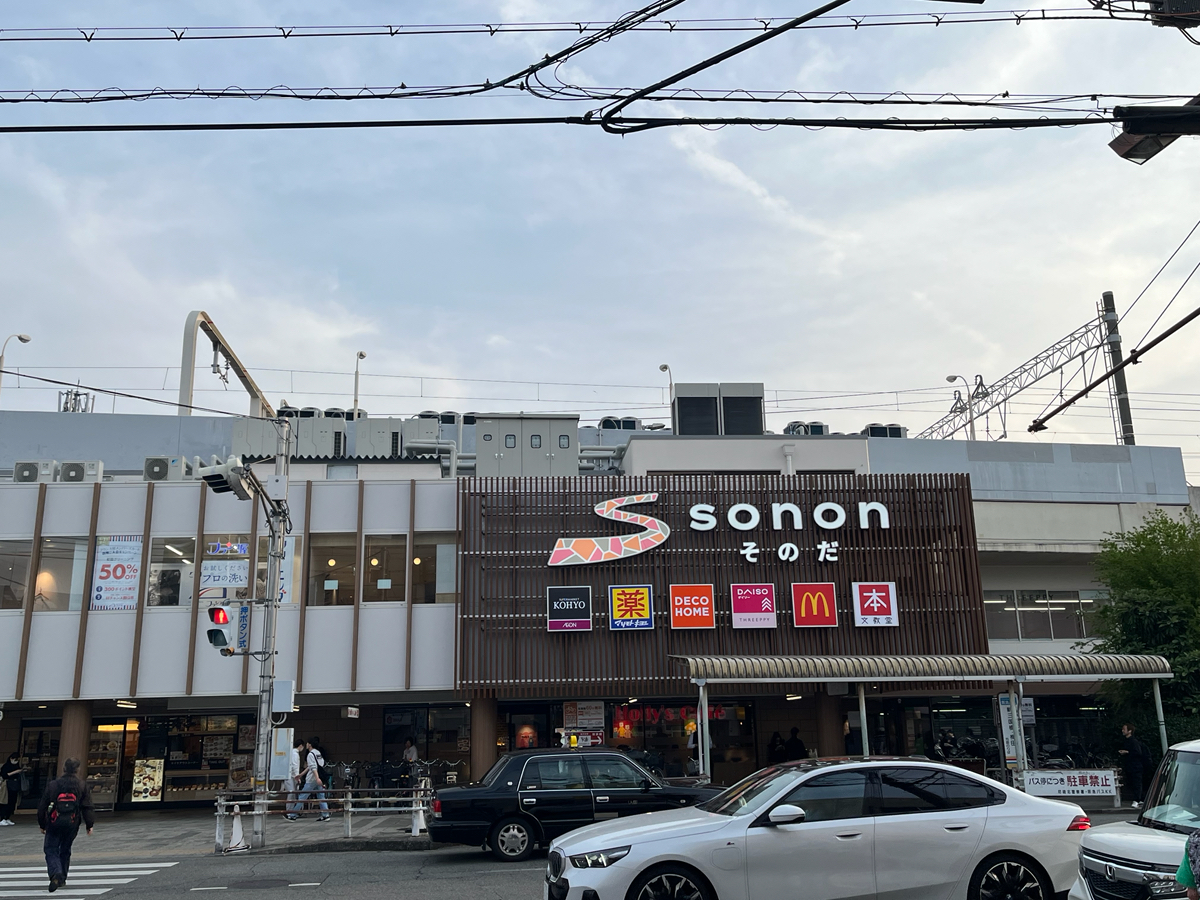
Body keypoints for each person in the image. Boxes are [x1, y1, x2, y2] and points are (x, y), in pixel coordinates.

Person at [37, 758, 94, 893]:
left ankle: (55, 872)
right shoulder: (81, 785)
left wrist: (42, 824)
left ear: (64, 769)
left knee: (51, 848)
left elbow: (42, 806)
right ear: (77, 770)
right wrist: (89, 824)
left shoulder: (53, 785)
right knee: (65, 849)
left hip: (54, 821)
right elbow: (87, 807)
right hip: (72, 823)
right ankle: (62, 877)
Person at [288, 738, 329, 822]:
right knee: (321, 796)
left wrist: (316, 778)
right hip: (319, 779)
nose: (306, 745)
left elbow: (313, 767)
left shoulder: (310, 754)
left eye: (307, 743)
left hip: (312, 779)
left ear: (310, 744)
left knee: (302, 796)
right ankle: (325, 815)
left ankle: (293, 815)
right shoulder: (318, 753)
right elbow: (316, 765)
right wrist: (301, 774)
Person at [1119, 724, 1151, 806]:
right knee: (1133, 782)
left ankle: (1137, 799)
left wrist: (1127, 752)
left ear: (1130, 731)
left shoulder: (1133, 741)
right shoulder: (1127, 741)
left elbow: (1138, 753)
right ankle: (1139, 798)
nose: (1122, 731)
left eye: (1124, 729)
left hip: (1136, 766)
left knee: (1137, 782)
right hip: (1130, 765)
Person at [284, 738, 304, 818]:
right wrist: (297, 777)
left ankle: (291, 811)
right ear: (300, 746)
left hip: (289, 776)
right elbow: (295, 766)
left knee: (292, 794)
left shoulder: (291, 752)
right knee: (291, 794)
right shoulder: (295, 754)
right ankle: (289, 811)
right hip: (291, 777)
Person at [1, 751, 23, 825]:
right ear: (11, 758)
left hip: (14, 785)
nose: (16, 761)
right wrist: (15, 772)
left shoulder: (17, 766)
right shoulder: (6, 766)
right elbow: (4, 775)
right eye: (15, 759)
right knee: (5, 802)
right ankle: (2, 818)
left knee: (12, 802)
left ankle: (7, 817)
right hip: (7, 785)